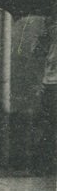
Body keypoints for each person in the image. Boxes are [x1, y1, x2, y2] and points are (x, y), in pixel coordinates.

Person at [34, 15, 57, 173]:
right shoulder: (47, 35)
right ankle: (43, 164)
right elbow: (36, 54)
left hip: (49, 83)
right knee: (47, 124)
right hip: (50, 84)